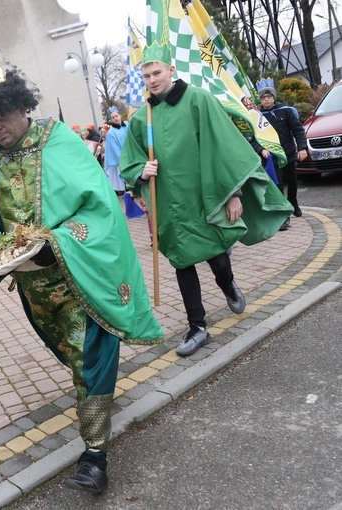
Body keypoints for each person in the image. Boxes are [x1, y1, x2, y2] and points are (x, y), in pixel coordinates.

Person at [0, 56, 163, 493]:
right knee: (75, 361)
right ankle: (99, 398)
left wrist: (57, 244)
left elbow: (100, 209)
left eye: (1, 116)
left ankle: (94, 457)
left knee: (88, 362)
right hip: (36, 289)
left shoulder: (61, 143)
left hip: (81, 277)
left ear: (21, 107)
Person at [119, 42, 292, 358]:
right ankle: (197, 327)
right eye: (146, 76)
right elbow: (129, 162)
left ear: (171, 70)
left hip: (206, 198)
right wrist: (141, 171)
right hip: (170, 207)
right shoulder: (142, 118)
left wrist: (232, 194)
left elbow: (223, 147)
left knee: (217, 256)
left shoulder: (199, 100)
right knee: (183, 263)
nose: (152, 80)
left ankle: (228, 285)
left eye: (156, 72)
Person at [251, 78, 308, 230]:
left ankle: (293, 202)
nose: (266, 99)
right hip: (270, 158)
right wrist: (260, 149)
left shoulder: (286, 111)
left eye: (268, 96)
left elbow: (297, 130)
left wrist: (302, 148)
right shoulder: (257, 117)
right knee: (277, 185)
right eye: (263, 97)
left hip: (288, 153)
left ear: (274, 97)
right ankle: (284, 215)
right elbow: (253, 138)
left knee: (293, 181)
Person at [103, 106, 128, 195]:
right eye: (113, 117)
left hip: (131, 155)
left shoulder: (127, 125)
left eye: (116, 116)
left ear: (120, 115)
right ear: (111, 120)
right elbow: (115, 149)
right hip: (122, 159)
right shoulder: (111, 133)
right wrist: (123, 159)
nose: (115, 118)